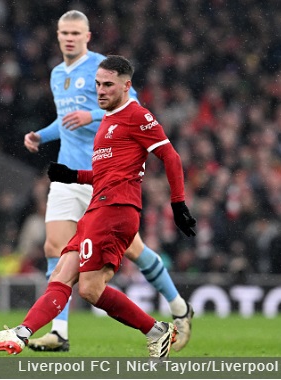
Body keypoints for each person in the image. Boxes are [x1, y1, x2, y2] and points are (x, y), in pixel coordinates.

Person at [0, 54, 196, 358]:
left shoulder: (137, 115)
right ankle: (24, 333)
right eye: (97, 84)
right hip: (98, 210)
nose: (101, 90)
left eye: (108, 84)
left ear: (126, 86)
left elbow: (171, 157)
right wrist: (73, 175)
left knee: (82, 284)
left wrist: (178, 205)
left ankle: (22, 334)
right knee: (73, 282)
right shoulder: (107, 121)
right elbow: (105, 174)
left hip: (116, 212)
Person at [22, 10, 193, 353]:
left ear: (87, 36)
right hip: (70, 173)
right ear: (57, 36)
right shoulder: (57, 74)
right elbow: (64, 120)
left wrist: (93, 114)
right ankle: (59, 331)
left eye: (75, 32)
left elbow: (134, 108)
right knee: (54, 247)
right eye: (63, 32)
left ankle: (178, 306)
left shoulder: (104, 68)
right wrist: (42, 135)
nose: (68, 38)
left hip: (107, 181)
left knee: (135, 252)